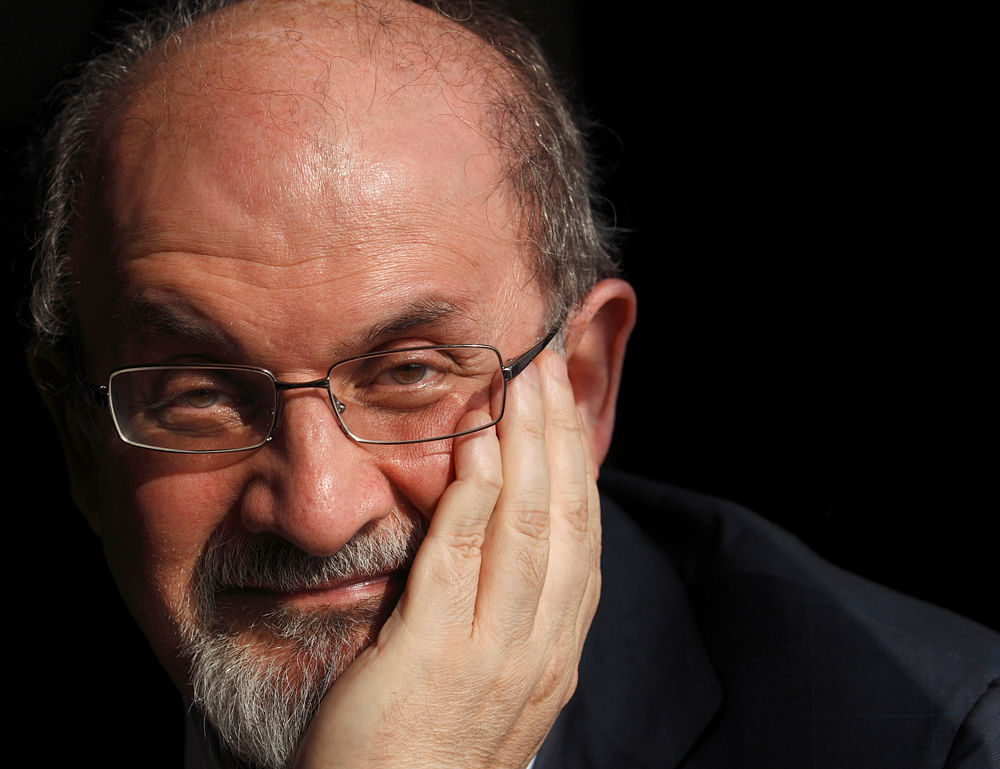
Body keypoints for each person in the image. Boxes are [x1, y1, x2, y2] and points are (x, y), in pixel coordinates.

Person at [23, 1, 999, 768]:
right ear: (76, 439)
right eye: (197, 392)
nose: (316, 510)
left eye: (408, 374)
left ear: (580, 385)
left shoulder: (923, 735)